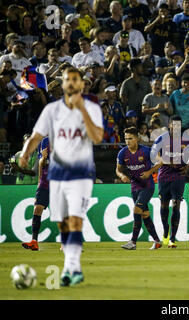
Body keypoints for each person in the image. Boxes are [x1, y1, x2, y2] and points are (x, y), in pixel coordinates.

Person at [18, 67, 104, 287]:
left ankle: (71, 268)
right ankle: (65, 257)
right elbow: (36, 136)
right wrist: (27, 153)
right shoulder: (51, 111)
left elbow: (97, 137)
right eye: (68, 80)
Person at [117, 127, 162, 250]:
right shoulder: (123, 153)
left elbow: (160, 161)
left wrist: (150, 172)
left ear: (136, 139)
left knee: (137, 210)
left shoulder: (146, 151)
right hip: (134, 186)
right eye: (126, 138)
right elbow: (118, 169)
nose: (127, 141)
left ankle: (133, 242)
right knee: (144, 214)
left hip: (147, 186)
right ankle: (157, 241)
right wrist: (122, 176)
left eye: (130, 138)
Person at [151, 116, 189, 248]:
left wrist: (187, 166)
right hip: (164, 176)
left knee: (176, 205)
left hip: (179, 176)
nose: (176, 127)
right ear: (169, 125)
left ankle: (173, 238)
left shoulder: (186, 139)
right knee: (164, 206)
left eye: (178, 125)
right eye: (174, 125)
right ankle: (165, 231)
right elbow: (153, 154)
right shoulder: (162, 139)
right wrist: (166, 160)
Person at [22, 137, 50, 251]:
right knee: (37, 209)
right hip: (45, 181)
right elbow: (41, 163)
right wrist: (43, 157)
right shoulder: (45, 141)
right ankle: (34, 241)